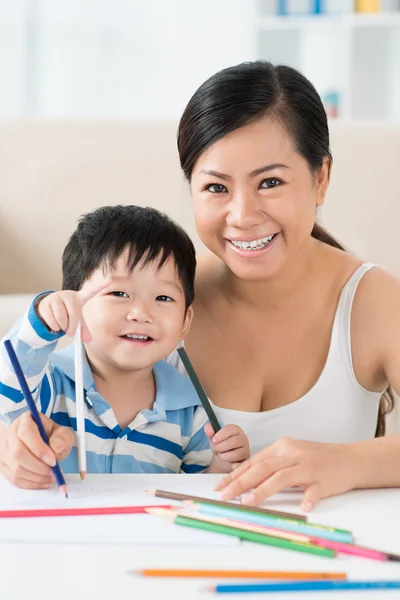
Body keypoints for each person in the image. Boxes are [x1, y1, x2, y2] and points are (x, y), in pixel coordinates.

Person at [167, 60, 400, 511]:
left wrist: (346, 463)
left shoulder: (372, 300)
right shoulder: (160, 300)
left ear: (320, 179)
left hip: (328, 562)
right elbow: (63, 408)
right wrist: (20, 446)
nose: (242, 215)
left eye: (270, 182)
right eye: (216, 188)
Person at [0, 205, 249, 489]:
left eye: (163, 298)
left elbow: (192, 494)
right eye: (119, 293)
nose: (141, 313)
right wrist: (43, 316)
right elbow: (8, 388)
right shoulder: (50, 381)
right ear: (74, 302)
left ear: (185, 321)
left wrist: (221, 466)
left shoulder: (190, 410)